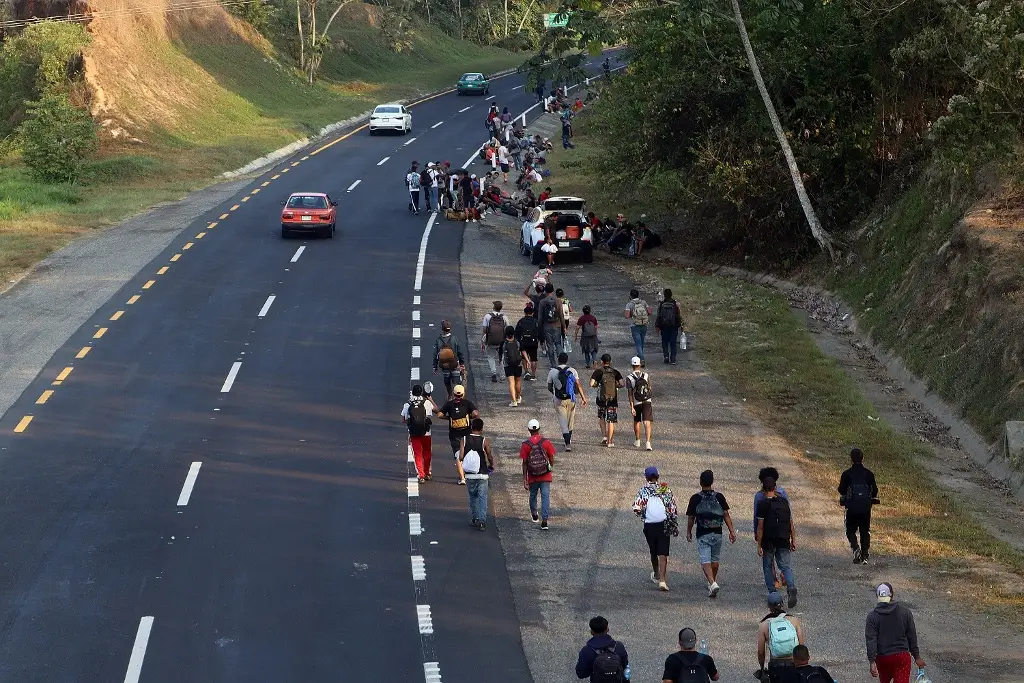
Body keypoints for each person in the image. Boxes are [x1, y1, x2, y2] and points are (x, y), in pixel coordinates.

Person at [685, 470, 736, 598]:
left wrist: (689, 531)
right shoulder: (719, 497)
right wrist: (731, 531)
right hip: (718, 532)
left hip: (703, 533)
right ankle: (712, 582)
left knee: (705, 560)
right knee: (715, 560)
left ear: (700, 482)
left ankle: (712, 583)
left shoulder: (695, 498)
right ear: (712, 482)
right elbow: (725, 514)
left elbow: (691, 517)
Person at [866, 583, 926, 683]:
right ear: (892, 594)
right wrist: (917, 657)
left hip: (883, 659)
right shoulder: (905, 612)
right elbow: (912, 636)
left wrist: (872, 661)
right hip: (901, 658)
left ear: (877, 596)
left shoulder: (872, 616)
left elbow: (871, 640)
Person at [633, 466, 678, 591]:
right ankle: (663, 580)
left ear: (646, 477)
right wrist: (673, 522)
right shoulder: (665, 489)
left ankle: (656, 573)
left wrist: (643, 515)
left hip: (649, 524)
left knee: (653, 551)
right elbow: (672, 508)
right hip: (663, 523)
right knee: (663, 552)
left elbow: (636, 508)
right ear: (658, 476)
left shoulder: (643, 490)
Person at [755, 474, 798, 607]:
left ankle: (773, 593)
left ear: (763, 488)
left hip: (768, 541)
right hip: (784, 538)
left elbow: (760, 527)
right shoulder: (784, 502)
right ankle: (791, 586)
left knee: (767, 566)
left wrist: (759, 544)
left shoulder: (762, 504)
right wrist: (793, 539)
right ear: (775, 487)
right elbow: (790, 523)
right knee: (785, 566)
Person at [838, 447, 879, 564]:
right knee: (865, 530)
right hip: (865, 508)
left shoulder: (846, 474)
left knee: (850, 529)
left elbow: (841, 490)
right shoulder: (869, 474)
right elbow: (874, 491)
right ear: (863, 458)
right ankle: (865, 555)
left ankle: (856, 548)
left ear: (851, 459)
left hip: (852, 508)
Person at [433, 385, 479, 485]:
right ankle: (470, 472)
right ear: (463, 394)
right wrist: (468, 417)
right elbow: (476, 414)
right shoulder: (467, 403)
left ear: (453, 394)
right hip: (466, 433)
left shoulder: (449, 404)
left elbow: (439, 414)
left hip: (454, 435)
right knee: (467, 453)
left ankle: (462, 478)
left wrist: (449, 418)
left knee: (458, 456)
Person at [756, 591, 805, 683]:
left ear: (769, 606)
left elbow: (761, 652)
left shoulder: (764, 625)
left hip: (776, 667)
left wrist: (762, 668)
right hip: (793, 664)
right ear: (782, 604)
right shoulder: (794, 620)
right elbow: (801, 646)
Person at [546, 352, 588, 452]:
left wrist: (555, 393)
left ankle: (567, 443)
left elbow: (549, 387)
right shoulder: (572, 370)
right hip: (571, 398)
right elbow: (578, 385)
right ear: (567, 360)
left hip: (559, 399)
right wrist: (583, 398)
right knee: (570, 420)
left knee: (562, 421)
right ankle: (568, 440)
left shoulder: (552, 372)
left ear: (558, 359)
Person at [520, 418, 556, 529]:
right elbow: (551, 456)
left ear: (529, 430)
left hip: (532, 476)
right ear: (539, 429)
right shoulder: (546, 442)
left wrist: (525, 479)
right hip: (545, 475)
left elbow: (525, 463)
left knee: (533, 495)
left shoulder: (526, 445)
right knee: (545, 497)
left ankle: (535, 515)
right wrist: (550, 466)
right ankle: (544, 520)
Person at [459, 418, 494, 530]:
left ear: (471, 427)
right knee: (482, 497)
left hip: (469, 475)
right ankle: (482, 522)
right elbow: (489, 455)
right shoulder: (485, 441)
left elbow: (460, 457)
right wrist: (491, 465)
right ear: (482, 428)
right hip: (482, 474)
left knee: (473, 497)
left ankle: (475, 519)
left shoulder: (464, 439)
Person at [575, 616, 629, 681]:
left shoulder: (586, 651)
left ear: (592, 632)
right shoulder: (619, 646)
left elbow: (581, 674)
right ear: (607, 629)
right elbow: (625, 667)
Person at [401, 384, 434, 483]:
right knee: (427, 453)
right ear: (421, 392)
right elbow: (429, 415)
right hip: (426, 433)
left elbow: (404, 419)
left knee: (417, 454)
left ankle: (421, 475)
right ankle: (427, 472)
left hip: (414, 433)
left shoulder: (408, 404)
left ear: (412, 392)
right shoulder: (427, 402)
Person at [590, 353, 624, 447]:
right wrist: (615, 386)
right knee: (611, 420)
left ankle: (604, 436)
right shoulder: (615, 372)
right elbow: (622, 383)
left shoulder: (598, 372)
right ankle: (610, 441)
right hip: (612, 399)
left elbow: (591, 383)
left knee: (601, 417)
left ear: (602, 362)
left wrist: (597, 385)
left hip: (601, 399)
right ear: (610, 362)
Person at [625, 356, 654, 450]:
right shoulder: (646, 375)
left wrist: (632, 407)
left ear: (632, 365)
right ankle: (648, 443)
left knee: (637, 421)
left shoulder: (629, 378)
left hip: (637, 402)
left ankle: (637, 440)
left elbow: (630, 393)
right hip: (647, 401)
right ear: (640, 364)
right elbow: (649, 388)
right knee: (647, 421)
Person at [432, 320, 465, 400]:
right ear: (450, 329)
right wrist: (462, 363)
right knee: (457, 382)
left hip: (444, 366)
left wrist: (435, 366)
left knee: (447, 381)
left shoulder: (439, 340)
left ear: (442, 329)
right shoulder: (454, 339)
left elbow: (435, 354)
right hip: (454, 364)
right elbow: (459, 352)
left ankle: (450, 395)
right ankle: (458, 396)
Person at [654, 288, 683, 365]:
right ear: (671, 295)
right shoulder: (675, 304)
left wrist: (657, 326)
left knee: (665, 341)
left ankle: (666, 356)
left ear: (664, 295)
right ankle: (673, 359)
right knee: (673, 342)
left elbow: (659, 316)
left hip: (664, 326)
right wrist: (681, 325)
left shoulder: (661, 304)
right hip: (674, 326)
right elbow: (678, 315)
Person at [481, 301, 507, 384]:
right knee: (501, 358)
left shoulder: (487, 316)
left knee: (491, 357)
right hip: (501, 342)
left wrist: (483, 342)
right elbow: (507, 329)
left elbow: (484, 330)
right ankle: (502, 376)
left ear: (493, 307)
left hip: (490, 341)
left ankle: (494, 373)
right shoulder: (504, 317)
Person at [537, 283, 562, 368]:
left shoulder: (542, 302)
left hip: (547, 326)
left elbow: (540, 316)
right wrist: (564, 327)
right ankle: (561, 362)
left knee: (549, 345)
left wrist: (539, 327)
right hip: (557, 325)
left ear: (545, 291)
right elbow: (561, 314)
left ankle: (553, 363)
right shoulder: (558, 300)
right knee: (558, 343)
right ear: (553, 290)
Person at [624, 289, 651, 365]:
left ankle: (642, 359)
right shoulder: (643, 302)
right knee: (641, 342)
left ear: (630, 296)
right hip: (644, 324)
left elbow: (626, 315)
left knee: (638, 343)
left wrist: (632, 314)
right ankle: (640, 355)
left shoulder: (629, 304)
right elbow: (650, 312)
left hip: (635, 325)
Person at [501, 325, 526, 406]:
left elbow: (500, 353)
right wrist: (527, 360)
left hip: (508, 365)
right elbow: (523, 351)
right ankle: (518, 397)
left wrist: (499, 361)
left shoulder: (504, 343)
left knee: (511, 383)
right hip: (518, 364)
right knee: (518, 381)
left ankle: (514, 401)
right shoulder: (518, 342)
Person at [515, 304, 540, 381]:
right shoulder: (536, 321)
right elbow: (540, 332)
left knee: (523, 357)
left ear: (524, 313)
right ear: (532, 313)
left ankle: (526, 371)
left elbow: (516, 333)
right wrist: (540, 340)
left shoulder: (521, 321)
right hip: (533, 343)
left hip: (523, 342)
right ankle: (533, 375)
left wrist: (518, 341)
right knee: (534, 359)